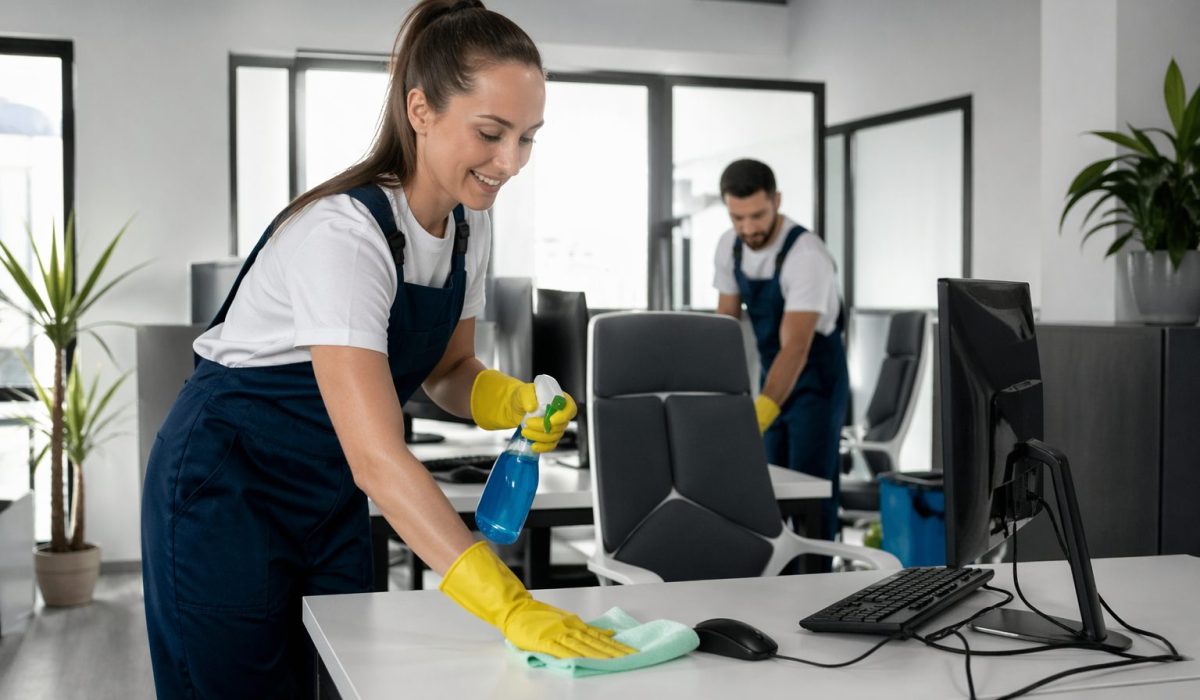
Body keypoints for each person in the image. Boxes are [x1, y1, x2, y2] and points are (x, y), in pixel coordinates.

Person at [141, 2, 633, 696]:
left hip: (327, 492)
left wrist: (513, 400)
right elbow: (378, 456)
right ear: (421, 110)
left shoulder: (468, 227)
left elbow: (449, 370)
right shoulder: (345, 236)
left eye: (528, 138)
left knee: (346, 679)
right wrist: (511, 605)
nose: (510, 163)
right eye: (491, 133)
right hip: (226, 489)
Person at [712, 158, 848, 549]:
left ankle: (820, 581)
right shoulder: (730, 246)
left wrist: (762, 412)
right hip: (773, 371)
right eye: (738, 218)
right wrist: (721, 401)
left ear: (777, 200)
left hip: (816, 380)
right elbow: (726, 326)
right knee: (770, 486)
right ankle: (778, 583)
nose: (748, 228)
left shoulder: (806, 255)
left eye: (757, 215)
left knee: (811, 489)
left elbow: (797, 345)